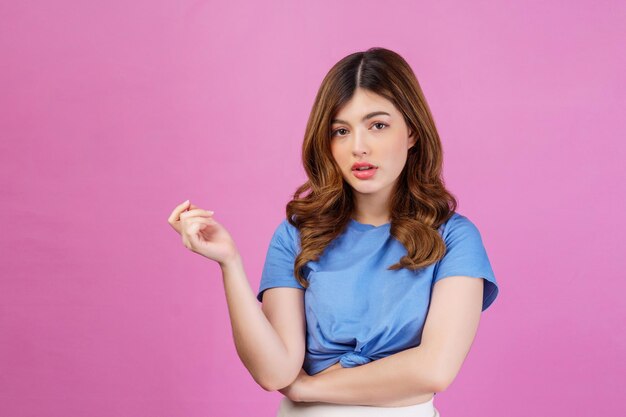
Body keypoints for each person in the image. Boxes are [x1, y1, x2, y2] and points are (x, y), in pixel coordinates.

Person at [167, 47, 499, 417]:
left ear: (412, 133)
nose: (358, 147)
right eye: (341, 131)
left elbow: (434, 370)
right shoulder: (297, 235)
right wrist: (229, 263)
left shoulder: (455, 238)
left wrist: (305, 387)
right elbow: (273, 370)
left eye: (378, 125)